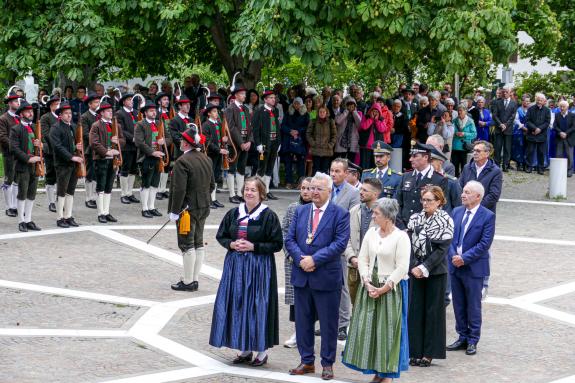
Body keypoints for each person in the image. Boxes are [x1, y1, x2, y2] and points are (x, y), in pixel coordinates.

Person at [210, 177, 283, 366]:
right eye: (247, 189)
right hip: (236, 266)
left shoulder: (268, 216)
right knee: (239, 304)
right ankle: (245, 349)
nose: (249, 193)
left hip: (259, 267)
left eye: (253, 190)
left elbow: (277, 244)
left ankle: (261, 351)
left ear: (261, 194)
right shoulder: (234, 213)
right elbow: (221, 235)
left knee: (258, 305)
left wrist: (254, 246)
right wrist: (232, 244)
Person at [285, 172, 350, 380]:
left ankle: (327, 363)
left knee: (329, 323)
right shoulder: (301, 211)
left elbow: (340, 243)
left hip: (326, 277)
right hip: (302, 275)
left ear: (329, 191)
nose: (313, 192)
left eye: (318, 189)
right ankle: (306, 361)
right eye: (311, 188)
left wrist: (314, 259)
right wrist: (300, 258)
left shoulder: (339, 213)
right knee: (303, 322)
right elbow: (290, 239)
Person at [342, 198, 410, 383]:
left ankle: (387, 375)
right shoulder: (371, 233)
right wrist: (365, 280)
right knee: (370, 330)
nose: (373, 216)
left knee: (388, 332)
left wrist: (383, 289)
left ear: (388, 216)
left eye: (377, 213)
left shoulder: (401, 237)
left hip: (391, 290)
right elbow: (363, 259)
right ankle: (377, 372)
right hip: (369, 287)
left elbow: (402, 267)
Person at [447, 181, 495, 356]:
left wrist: (464, 259)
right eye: (463, 191)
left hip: (474, 267)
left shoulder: (487, 216)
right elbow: (449, 236)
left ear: (478, 196)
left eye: (467, 192)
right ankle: (462, 336)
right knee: (458, 304)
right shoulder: (457, 212)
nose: (463, 195)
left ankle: (473, 339)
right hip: (455, 265)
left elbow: (484, 243)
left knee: (473, 305)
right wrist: (453, 256)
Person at [407, 186, 454, 367]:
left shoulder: (445, 220)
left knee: (433, 311)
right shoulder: (415, 219)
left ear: (439, 202)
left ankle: (429, 352)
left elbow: (442, 249)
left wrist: (425, 267)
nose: (425, 203)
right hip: (415, 269)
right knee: (416, 310)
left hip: (435, 271)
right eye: (423, 200)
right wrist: (413, 266)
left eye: (429, 200)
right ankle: (415, 350)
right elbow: (408, 243)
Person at [168, 125, 214, 291]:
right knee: (198, 242)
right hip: (203, 206)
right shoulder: (206, 159)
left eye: (182, 140)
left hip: (187, 210)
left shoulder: (182, 161)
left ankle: (188, 282)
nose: (180, 142)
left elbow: (179, 189)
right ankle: (193, 279)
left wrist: (174, 211)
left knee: (187, 244)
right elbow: (212, 185)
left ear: (187, 144)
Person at [329, 158, 360, 341]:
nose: (334, 174)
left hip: (341, 245)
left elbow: (351, 222)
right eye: (332, 170)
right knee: (325, 284)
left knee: (342, 286)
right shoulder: (326, 188)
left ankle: (342, 324)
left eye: (338, 171)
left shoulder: (353, 193)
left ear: (346, 173)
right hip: (324, 244)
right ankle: (328, 320)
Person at [281, 177, 313, 348]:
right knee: (295, 299)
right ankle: (297, 332)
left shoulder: (318, 210)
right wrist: (290, 254)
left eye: (309, 188)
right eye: (303, 188)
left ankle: (309, 330)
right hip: (294, 260)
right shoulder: (293, 208)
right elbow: (284, 231)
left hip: (312, 260)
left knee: (312, 297)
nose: (306, 191)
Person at [344, 177, 382, 305]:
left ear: (375, 194)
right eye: (361, 189)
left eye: (365, 190)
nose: (360, 192)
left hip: (374, 268)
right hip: (353, 268)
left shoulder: (384, 214)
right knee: (356, 306)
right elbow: (346, 237)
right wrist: (352, 257)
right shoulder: (354, 211)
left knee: (373, 307)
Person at [395, 142, 447, 230]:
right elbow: (397, 203)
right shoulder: (405, 176)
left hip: (426, 230)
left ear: (426, 157)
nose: (410, 159)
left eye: (415, 156)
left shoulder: (439, 179)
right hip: (403, 228)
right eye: (411, 156)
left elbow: (441, 207)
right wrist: (402, 227)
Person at [89, 97, 125, 223]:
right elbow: (94, 143)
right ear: (102, 113)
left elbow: (123, 140)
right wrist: (107, 152)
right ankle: (100, 213)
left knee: (109, 186)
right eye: (107, 111)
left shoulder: (116, 125)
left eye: (111, 110)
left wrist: (118, 142)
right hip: (101, 159)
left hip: (113, 160)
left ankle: (107, 211)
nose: (110, 112)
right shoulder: (96, 125)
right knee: (101, 186)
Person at [9, 100, 42, 232]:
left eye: (31, 111)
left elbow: (42, 144)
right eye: (28, 111)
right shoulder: (15, 129)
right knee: (22, 193)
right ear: (21, 113)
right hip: (23, 166)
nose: (30, 113)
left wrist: (40, 145)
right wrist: (29, 159)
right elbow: (14, 149)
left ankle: (28, 219)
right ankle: (21, 221)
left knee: (32, 193)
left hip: (35, 165)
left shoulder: (35, 127)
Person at [135, 100, 172, 218]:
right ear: (145, 112)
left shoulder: (159, 123)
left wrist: (164, 141)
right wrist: (152, 152)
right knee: (146, 183)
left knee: (155, 183)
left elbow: (169, 138)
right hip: (146, 157)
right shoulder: (141, 124)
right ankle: (144, 208)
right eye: (151, 111)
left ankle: (151, 206)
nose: (154, 112)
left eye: (154, 110)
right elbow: (139, 142)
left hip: (159, 156)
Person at [50, 101, 84, 228]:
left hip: (73, 163)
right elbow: (58, 147)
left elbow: (73, 143)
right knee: (61, 191)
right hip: (62, 164)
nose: (69, 115)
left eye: (70, 113)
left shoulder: (73, 127)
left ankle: (68, 216)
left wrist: (77, 147)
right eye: (66, 113)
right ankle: (59, 218)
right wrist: (71, 157)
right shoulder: (56, 128)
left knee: (70, 191)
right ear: (60, 115)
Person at [225, 84, 252, 204]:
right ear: (235, 95)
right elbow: (231, 127)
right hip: (234, 143)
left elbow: (250, 126)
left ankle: (240, 193)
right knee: (231, 168)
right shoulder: (230, 109)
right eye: (242, 94)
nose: (244, 96)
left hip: (245, 142)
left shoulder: (245, 109)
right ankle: (232, 194)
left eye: (245, 94)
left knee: (241, 168)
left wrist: (249, 141)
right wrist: (241, 142)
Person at [458, 140, 502, 214]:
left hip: (484, 212)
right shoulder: (467, 167)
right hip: (466, 210)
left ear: (487, 153)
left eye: (478, 151)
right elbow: (460, 187)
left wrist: (476, 208)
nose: (475, 153)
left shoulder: (495, 171)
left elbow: (494, 195)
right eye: (474, 150)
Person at [252, 90, 281, 200]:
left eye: (274, 98)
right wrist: (258, 143)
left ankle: (267, 190)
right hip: (264, 144)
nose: (273, 99)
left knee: (270, 167)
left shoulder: (275, 111)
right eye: (271, 98)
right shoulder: (259, 111)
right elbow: (255, 129)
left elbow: (278, 128)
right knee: (261, 167)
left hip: (274, 142)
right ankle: (259, 191)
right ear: (265, 99)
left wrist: (279, 142)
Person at [115, 92, 140, 204]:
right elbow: (121, 130)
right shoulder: (119, 113)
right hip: (126, 145)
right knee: (125, 169)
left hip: (136, 146)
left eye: (132, 99)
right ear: (124, 102)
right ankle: (123, 193)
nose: (131, 101)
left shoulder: (136, 112)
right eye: (129, 99)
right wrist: (133, 138)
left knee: (133, 170)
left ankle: (130, 193)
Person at [0, 89, 22, 217]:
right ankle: (9, 207)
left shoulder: (20, 117)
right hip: (9, 153)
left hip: (19, 153)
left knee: (17, 180)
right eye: (15, 101)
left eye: (18, 101)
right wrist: (15, 146)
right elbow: (2, 136)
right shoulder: (3, 118)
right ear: (9, 103)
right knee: (9, 179)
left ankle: (15, 205)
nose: (17, 103)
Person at [202, 104, 227, 209]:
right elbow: (207, 141)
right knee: (209, 177)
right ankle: (208, 199)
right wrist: (218, 149)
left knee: (216, 176)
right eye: (214, 111)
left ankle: (213, 198)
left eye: (217, 111)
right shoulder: (206, 125)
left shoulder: (219, 124)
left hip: (218, 154)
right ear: (209, 113)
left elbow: (221, 137)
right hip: (210, 154)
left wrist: (224, 139)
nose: (216, 113)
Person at [281, 97, 309, 189]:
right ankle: (289, 182)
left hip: (300, 142)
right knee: (288, 162)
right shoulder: (288, 113)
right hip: (288, 141)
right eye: (295, 103)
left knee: (301, 163)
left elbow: (307, 127)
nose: (296, 105)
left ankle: (301, 183)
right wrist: (290, 131)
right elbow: (283, 125)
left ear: (301, 104)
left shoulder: (305, 114)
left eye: (298, 103)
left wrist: (298, 131)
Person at [39, 95, 60, 213]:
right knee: (51, 175)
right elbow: (47, 134)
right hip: (51, 151)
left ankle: (59, 199)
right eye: (54, 104)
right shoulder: (45, 117)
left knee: (61, 175)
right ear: (51, 106)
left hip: (63, 152)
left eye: (58, 103)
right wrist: (58, 145)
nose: (57, 105)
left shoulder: (63, 117)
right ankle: (51, 201)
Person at [80, 92, 100, 209]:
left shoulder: (100, 115)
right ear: (90, 104)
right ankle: (88, 197)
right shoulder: (85, 116)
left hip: (99, 149)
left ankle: (94, 196)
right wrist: (97, 140)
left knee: (96, 174)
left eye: (98, 102)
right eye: (96, 102)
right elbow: (86, 134)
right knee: (89, 173)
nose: (98, 104)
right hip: (90, 148)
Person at [491, 86, 518, 171]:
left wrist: (506, 125)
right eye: (503, 92)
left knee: (507, 148)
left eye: (506, 92)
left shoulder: (514, 103)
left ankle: (506, 165)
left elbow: (513, 116)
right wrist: (501, 124)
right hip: (499, 129)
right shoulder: (497, 102)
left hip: (508, 129)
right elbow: (494, 115)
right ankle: (496, 165)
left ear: (510, 92)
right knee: (498, 147)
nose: (504, 93)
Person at [359, 103, 392, 170]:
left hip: (377, 147)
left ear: (379, 113)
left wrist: (376, 121)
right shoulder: (366, 117)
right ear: (370, 111)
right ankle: (364, 179)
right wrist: (371, 119)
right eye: (373, 111)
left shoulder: (381, 119)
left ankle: (374, 179)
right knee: (364, 166)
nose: (375, 113)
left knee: (375, 165)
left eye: (377, 112)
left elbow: (382, 129)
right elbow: (363, 127)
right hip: (365, 146)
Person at [429, 146, 461, 214]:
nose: (428, 164)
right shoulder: (424, 179)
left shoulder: (451, 182)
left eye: (431, 161)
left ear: (440, 162)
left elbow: (458, 206)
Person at [525, 92, 551, 174]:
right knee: (530, 151)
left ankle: (540, 168)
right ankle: (529, 167)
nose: (539, 102)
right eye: (538, 100)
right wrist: (535, 128)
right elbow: (527, 121)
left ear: (544, 101)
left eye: (541, 100)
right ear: (536, 100)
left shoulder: (547, 110)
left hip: (542, 134)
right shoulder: (530, 108)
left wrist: (539, 129)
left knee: (541, 152)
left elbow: (547, 122)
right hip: (532, 133)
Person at [307, 105, 336, 174]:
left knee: (325, 170)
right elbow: (308, 133)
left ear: (326, 112)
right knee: (316, 169)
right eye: (320, 112)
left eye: (323, 112)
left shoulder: (330, 122)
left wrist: (330, 145)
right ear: (318, 112)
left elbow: (334, 135)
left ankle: (324, 185)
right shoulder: (313, 121)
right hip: (316, 149)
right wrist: (313, 143)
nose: (322, 113)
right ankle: (315, 185)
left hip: (326, 150)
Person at [451, 104, 477, 177]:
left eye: (461, 110)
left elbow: (474, 134)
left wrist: (464, 134)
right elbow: (450, 132)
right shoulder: (454, 121)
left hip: (465, 147)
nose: (459, 112)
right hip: (455, 147)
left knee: (464, 166)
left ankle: (463, 181)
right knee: (455, 166)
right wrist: (455, 133)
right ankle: (455, 181)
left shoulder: (470, 121)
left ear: (465, 111)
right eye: (458, 110)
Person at [334, 96, 361, 161]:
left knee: (351, 162)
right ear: (346, 105)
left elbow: (360, 124)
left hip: (352, 141)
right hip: (341, 141)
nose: (351, 107)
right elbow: (338, 121)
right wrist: (346, 112)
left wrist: (354, 112)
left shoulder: (356, 114)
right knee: (340, 161)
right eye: (349, 105)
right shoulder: (341, 112)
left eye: (352, 105)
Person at [552, 100, 575, 177]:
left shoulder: (572, 115)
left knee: (569, 155)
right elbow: (555, 126)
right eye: (560, 106)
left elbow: (573, 127)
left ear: (567, 107)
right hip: (559, 138)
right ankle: (559, 170)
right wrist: (560, 132)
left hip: (569, 138)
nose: (562, 108)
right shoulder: (557, 115)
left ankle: (569, 170)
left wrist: (566, 133)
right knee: (559, 155)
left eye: (563, 106)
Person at [513, 94, 531, 171]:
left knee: (527, 148)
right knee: (519, 147)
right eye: (526, 101)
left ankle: (525, 164)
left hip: (528, 131)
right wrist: (522, 126)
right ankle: (519, 163)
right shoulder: (518, 110)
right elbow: (516, 120)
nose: (527, 103)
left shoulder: (530, 110)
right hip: (519, 131)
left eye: (528, 101)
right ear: (522, 101)